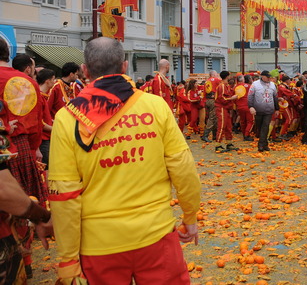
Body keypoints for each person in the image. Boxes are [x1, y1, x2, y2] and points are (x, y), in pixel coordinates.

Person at [48, 37, 201, 283]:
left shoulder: (67, 118)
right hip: (156, 233)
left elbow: (64, 194)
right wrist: (190, 216)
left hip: (99, 243)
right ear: (124, 66)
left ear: (85, 70)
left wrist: (68, 258)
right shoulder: (155, 106)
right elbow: (183, 167)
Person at [0, 40, 48, 277]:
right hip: (20, 146)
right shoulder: (25, 81)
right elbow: (36, 121)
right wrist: (34, 147)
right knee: (24, 201)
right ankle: (25, 263)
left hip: (9, 145)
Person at [247, 70, 278, 152]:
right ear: (262, 76)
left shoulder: (272, 85)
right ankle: (264, 144)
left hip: (269, 109)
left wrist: (277, 108)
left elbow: (275, 97)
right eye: (267, 77)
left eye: (270, 77)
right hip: (258, 109)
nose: (269, 79)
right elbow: (250, 96)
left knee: (266, 126)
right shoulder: (255, 84)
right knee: (259, 127)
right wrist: (251, 106)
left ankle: (261, 145)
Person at [36, 68, 56, 168]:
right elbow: (40, 122)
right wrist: (55, 128)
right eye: (53, 79)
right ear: (47, 81)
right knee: (46, 167)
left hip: (46, 137)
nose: (54, 82)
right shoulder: (39, 97)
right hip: (43, 139)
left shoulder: (42, 96)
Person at [214, 71, 238, 152]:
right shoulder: (222, 86)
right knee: (222, 126)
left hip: (226, 108)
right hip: (221, 108)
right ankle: (218, 145)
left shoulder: (226, 85)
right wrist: (232, 98)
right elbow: (222, 98)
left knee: (228, 126)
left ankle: (229, 143)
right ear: (227, 76)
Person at [201, 70, 220, 142]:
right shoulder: (216, 80)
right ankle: (205, 135)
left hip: (207, 100)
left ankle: (215, 135)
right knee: (212, 118)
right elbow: (223, 83)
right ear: (214, 74)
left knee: (215, 117)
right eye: (216, 74)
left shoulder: (207, 81)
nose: (217, 76)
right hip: (213, 100)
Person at [235, 74, 255, 142]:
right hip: (247, 106)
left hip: (239, 106)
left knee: (243, 121)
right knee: (250, 121)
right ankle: (246, 135)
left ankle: (244, 134)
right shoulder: (248, 86)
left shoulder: (236, 87)